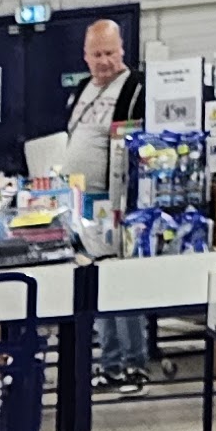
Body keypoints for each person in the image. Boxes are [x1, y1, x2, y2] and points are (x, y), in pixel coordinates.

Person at [63, 20, 148, 381]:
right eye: (96, 54)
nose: (104, 61)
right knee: (97, 283)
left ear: (122, 50)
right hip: (80, 202)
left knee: (122, 283)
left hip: (115, 203)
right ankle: (110, 363)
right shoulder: (82, 88)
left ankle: (134, 363)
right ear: (85, 56)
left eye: (110, 53)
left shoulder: (136, 87)